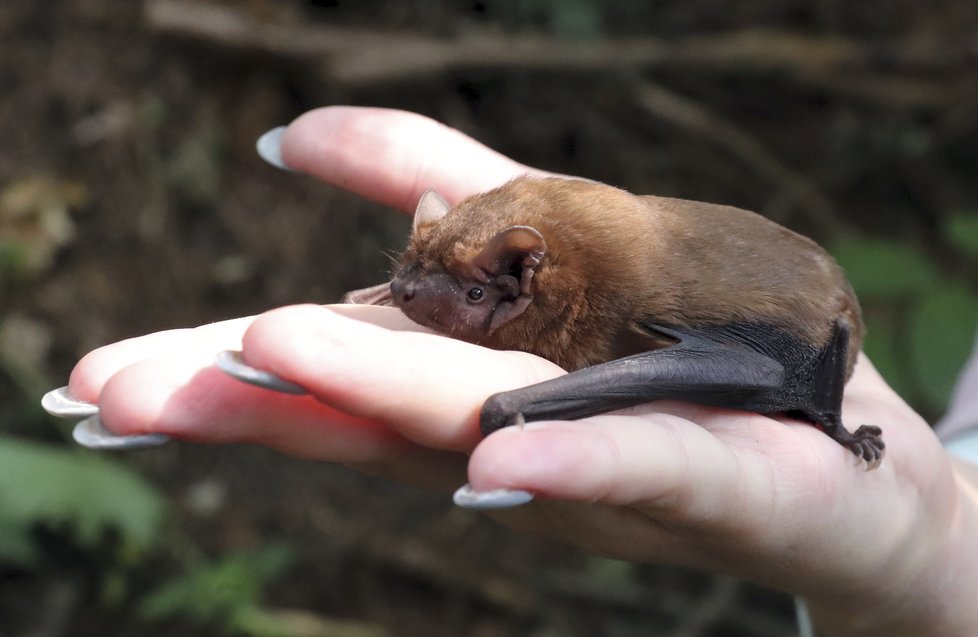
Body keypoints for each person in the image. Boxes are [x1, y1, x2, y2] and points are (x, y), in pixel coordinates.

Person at [63, 106, 978, 636]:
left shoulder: (617, 304)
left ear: (523, 277)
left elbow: (774, 327)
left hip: (795, 328)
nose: (413, 294)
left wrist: (932, 552)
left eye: (447, 287)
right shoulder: (529, 258)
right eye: (405, 274)